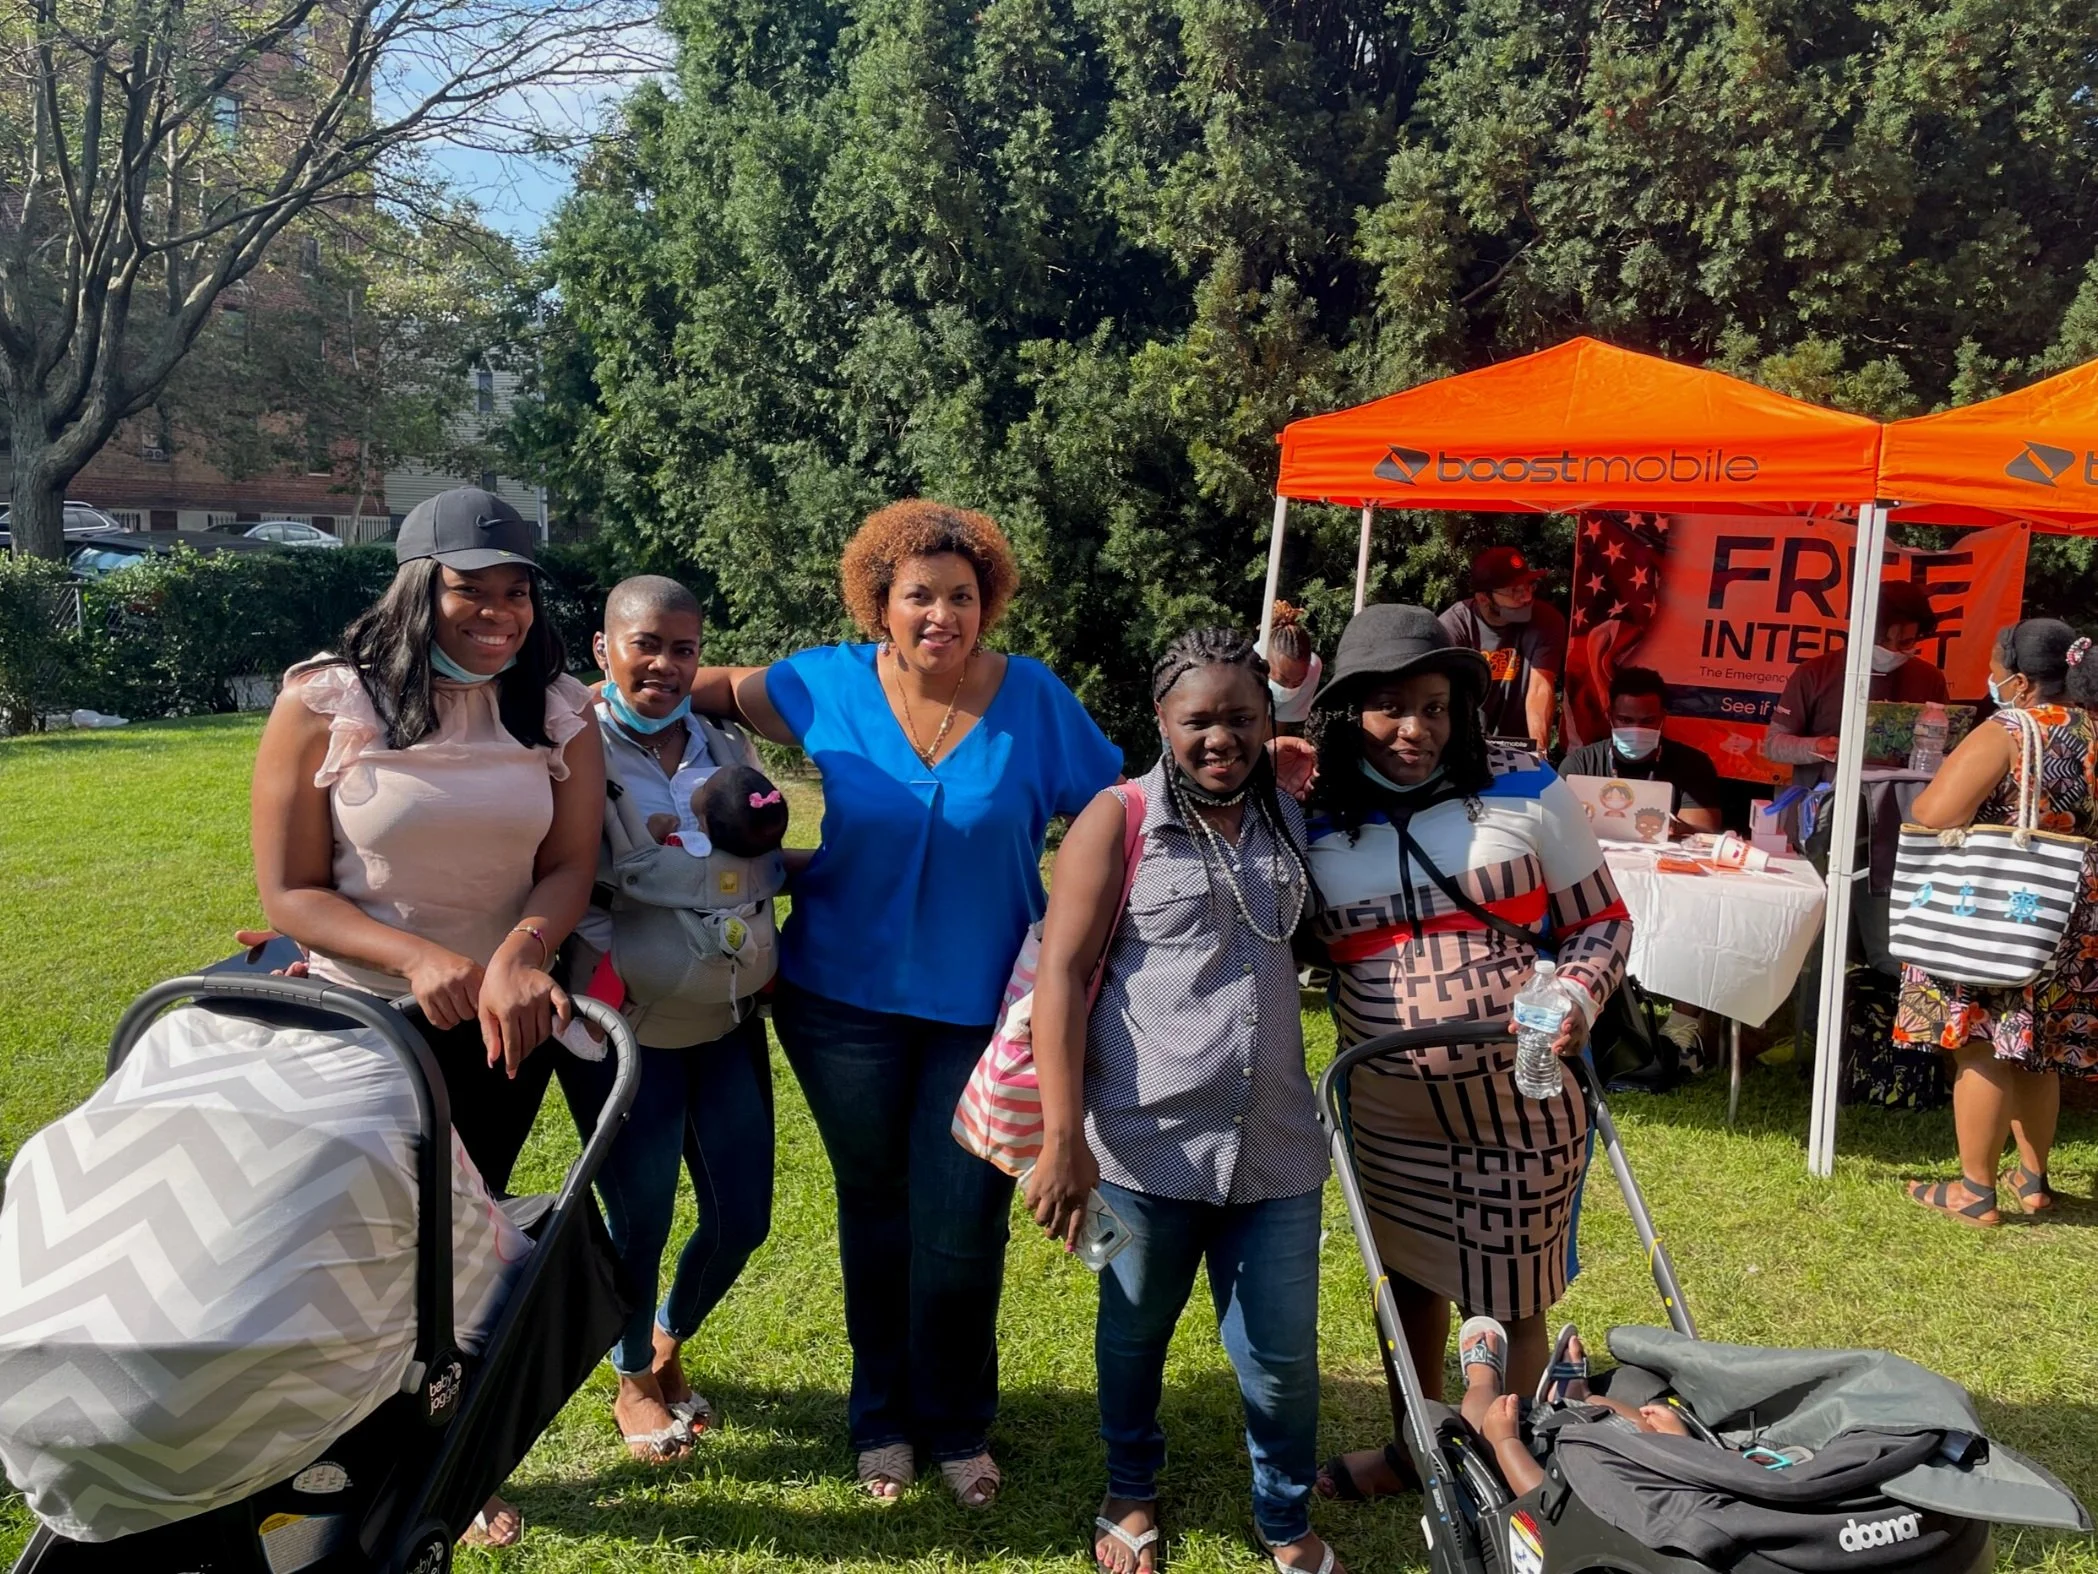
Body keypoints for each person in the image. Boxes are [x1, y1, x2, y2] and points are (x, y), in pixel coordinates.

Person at [688, 499, 1123, 1506]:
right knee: (875, 1210)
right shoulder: (822, 682)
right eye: (919, 595)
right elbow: (691, 685)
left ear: (988, 603)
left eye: (961, 596)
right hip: (839, 1004)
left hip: (983, 1013)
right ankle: (880, 1418)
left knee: (962, 1223)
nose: (941, 615)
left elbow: (1122, 807)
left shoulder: (1034, 699)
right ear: (878, 604)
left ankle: (959, 1422)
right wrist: (579, 703)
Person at [248, 487, 603, 1548]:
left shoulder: (556, 707)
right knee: (355, 1245)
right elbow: (292, 892)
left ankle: (444, 1457)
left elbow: (569, 865)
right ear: (417, 588)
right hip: (362, 1025)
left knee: (463, 1248)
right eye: (470, 589)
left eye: (516, 592)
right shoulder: (325, 702)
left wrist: (518, 954)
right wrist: (415, 957)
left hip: (501, 1025)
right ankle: (319, 1443)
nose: (499, 612)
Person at [1298, 604, 1632, 1505]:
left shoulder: (1524, 782)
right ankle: (1417, 1449)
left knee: (1513, 1290)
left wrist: (1575, 996)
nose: (1416, 728)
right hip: (1386, 1111)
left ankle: (1508, 1468)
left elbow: (1603, 919)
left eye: (1436, 707)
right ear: (1347, 713)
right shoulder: (1312, 808)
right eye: (1391, 707)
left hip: (1520, 1102)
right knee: (1405, 1282)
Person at [1025, 630, 1338, 1574]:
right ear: (1161, 719)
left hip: (1276, 1146)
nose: (1220, 738)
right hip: (1139, 1147)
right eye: (1198, 719)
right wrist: (1063, 1140)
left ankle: (1284, 1516)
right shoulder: (1116, 821)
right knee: (1133, 1334)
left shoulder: (1288, 813)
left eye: (1241, 717)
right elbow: (1060, 978)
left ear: (1268, 720)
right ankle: (1130, 1488)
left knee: (1281, 1359)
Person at [553, 576, 779, 1467]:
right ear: (604, 649)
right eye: (645, 645)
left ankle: (664, 1336)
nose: (664, 665)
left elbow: (753, 866)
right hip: (621, 1029)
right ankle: (633, 1379)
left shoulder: (725, 744)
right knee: (639, 1217)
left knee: (742, 1218)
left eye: (683, 649)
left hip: (726, 1020)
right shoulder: (569, 743)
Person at [1895, 619, 2098, 1227]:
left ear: (2022, 681)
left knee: (1981, 1043)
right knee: (2041, 1048)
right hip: (2074, 911)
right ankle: (2032, 1181)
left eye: (1995, 670)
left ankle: (1974, 1192)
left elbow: (1935, 811)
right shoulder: (2093, 728)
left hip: (2001, 908)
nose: (1993, 681)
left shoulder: (2009, 729)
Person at [1763, 580, 1949, 789]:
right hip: (1826, 797)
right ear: (1860, 630)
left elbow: (1949, 748)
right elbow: (1774, 745)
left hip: (1904, 799)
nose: (1892, 650)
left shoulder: (1930, 678)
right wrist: (1819, 746)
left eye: (1905, 642)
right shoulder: (1814, 673)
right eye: (1882, 640)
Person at [1558, 668, 1724, 835]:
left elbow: (1703, 829)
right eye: (1625, 720)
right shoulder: (1579, 765)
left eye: (1648, 721)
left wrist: (1675, 827)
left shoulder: (1693, 765)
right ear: (1610, 716)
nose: (1636, 729)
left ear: (1662, 717)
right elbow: (1559, 825)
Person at [1440, 546, 1567, 754]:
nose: (1526, 597)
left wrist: (1538, 753)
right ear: (1483, 598)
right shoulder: (1454, 626)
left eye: (1529, 586)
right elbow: (1447, 697)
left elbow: (1540, 688)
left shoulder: (1547, 621)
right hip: (1464, 742)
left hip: (1519, 745)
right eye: (1514, 590)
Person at [1258, 601, 1322, 734]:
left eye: (1298, 682)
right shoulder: (1243, 666)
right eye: (1282, 680)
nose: (1288, 688)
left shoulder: (1312, 668)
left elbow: (1280, 722)